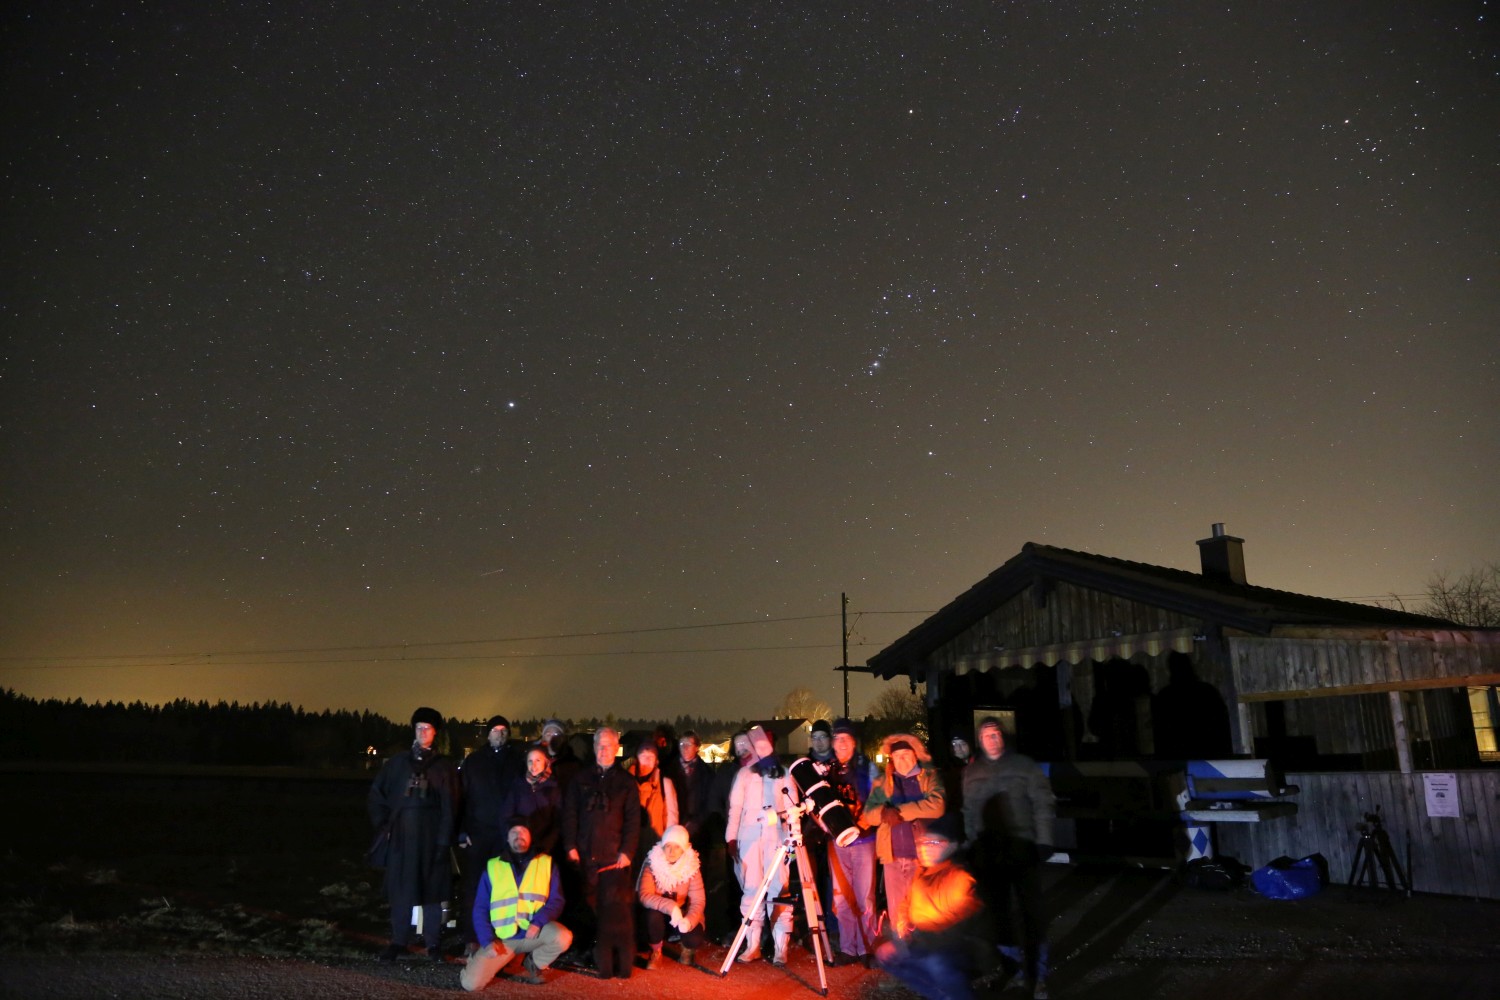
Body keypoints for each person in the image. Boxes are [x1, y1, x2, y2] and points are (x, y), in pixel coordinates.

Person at [962, 716, 1056, 999]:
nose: (992, 739)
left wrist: (1044, 840)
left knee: (1032, 914)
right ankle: (1012, 969)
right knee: (999, 915)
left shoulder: (1024, 766)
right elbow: (969, 810)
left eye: (996, 734)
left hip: (1022, 847)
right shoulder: (972, 771)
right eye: (986, 735)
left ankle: (1037, 976)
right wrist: (971, 844)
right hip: (990, 853)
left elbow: (1042, 802)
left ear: (1003, 737)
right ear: (979, 740)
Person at [367, 707, 461, 963]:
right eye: (419, 727)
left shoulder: (444, 767)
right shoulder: (397, 763)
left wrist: (444, 841)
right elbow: (377, 796)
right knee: (401, 891)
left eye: (427, 728)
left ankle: (433, 945)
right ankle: (398, 942)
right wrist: (385, 826)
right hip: (401, 840)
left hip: (432, 840)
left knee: (432, 892)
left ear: (435, 732)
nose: (423, 732)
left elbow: (451, 807)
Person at [875, 813, 994, 1000]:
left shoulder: (959, 877)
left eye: (934, 844)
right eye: (922, 843)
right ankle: (942, 994)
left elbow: (959, 927)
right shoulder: (922, 872)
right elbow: (907, 902)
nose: (925, 849)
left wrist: (915, 941)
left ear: (952, 846)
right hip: (928, 942)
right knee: (886, 955)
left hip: (961, 948)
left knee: (936, 962)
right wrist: (903, 924)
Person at [561, 726, 641, 979]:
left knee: (612, 909)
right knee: (584, 907)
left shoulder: (626, 783)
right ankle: (587, 950)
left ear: (616, 748)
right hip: (584, 854)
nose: (604, 750)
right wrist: (570, 845)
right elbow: (570, 813)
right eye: (599, 745)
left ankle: (613, 954)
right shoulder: (580, 779)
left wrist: (627, 851)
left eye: (609, 745)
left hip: (613, 858)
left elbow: (632, 820)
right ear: (594, 747)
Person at [459, 818, 571, 990]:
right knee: (471, 985)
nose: (519, 835)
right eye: (514, 832)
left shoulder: (546, 863)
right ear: (507, 838)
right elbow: (480, 909)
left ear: (531, 836)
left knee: (563, 936)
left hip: (532, 933)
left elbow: (556, 900)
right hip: (502, 939)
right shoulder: (493, 866)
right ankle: (481, 958)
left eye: (523, 831)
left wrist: (538, 922)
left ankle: (533, 963)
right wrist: (487, 941)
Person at [861, 732, 946, 937]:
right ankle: (903, 957)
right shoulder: (883, 783)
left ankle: (924, 955)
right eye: (897, 756)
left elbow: (937, 806)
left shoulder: (929, 777)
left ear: (915, 755)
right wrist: (882, 812)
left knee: (923, 912)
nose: (901, 760)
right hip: (893, 858)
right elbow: (868, 815)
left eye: (906, 755)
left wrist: (899, 812)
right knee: (897, 912)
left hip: (922, 858)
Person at [725, 726, 796, 965]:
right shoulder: (744, 775)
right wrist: (731, 838)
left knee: (779, 889)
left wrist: (790, 840)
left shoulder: (782, 773)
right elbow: (735, 809)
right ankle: (752, 943)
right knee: (751, 890)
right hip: (749, 837)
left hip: (776, 838)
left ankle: (780, 946)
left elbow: (792, 808)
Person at [457, 715, 524, 954]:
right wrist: (463, 831)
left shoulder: (517, 761)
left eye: (504, 730)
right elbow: (461, 798)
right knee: (474, 887)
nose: (500, 733)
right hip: (478, 834)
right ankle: (472, 938)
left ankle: (503, 937)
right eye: (495, 730)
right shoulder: (474, 762)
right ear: (488, 734)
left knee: (506, 889)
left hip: (506, 836)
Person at [825, 717, 879, 966]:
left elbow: (878, 800)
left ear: (854, 742)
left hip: (864, 840)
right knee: (842, 897)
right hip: (838, 844)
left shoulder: (866, 767)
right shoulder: (828, 770)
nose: (842, 743)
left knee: (864, 896)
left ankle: (867, 947)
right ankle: (848, 948)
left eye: (846, 738)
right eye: (837, 739)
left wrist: (862, 825)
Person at [636, 824, 707, 969]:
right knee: (652, 916)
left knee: (694, 936)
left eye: (677, 847)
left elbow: (698, 900)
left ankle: (687, 948)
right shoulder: (652, 862)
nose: (671, 851)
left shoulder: (691, 866)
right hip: (660, 914)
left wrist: (688, 920)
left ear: (684, 849)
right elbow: (645, 895)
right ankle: (656, 951)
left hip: (681, 915)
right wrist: (671, 907)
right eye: (668, 845)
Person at [500, 746, 562, 857]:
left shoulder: (553, 787)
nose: (533, 765)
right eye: (530, 761)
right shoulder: (518, 785)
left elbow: (558, 822)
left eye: (538, 760)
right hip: (519, 845)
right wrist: (510, 840)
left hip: (543, 848)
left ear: (546, 762)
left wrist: (546, 845)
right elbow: (505, 816)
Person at [627, 737, 679, 867]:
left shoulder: (665, 783)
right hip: (628, 849)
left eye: (651, 757)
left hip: (655, 849)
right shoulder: (624, 783)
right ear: (636, 758)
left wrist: (669, 848)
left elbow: (671, 818)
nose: (647, 760)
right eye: (643, 755)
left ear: (657, 761)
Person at [674, 731, 713, 848]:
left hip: (699, 830)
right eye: (682, 744)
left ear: (697, 747)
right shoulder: (669, 770)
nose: (685, 748)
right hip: (675, 828)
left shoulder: (707, 773)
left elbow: (710, 802)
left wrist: (697, 822)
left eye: (689, 744)